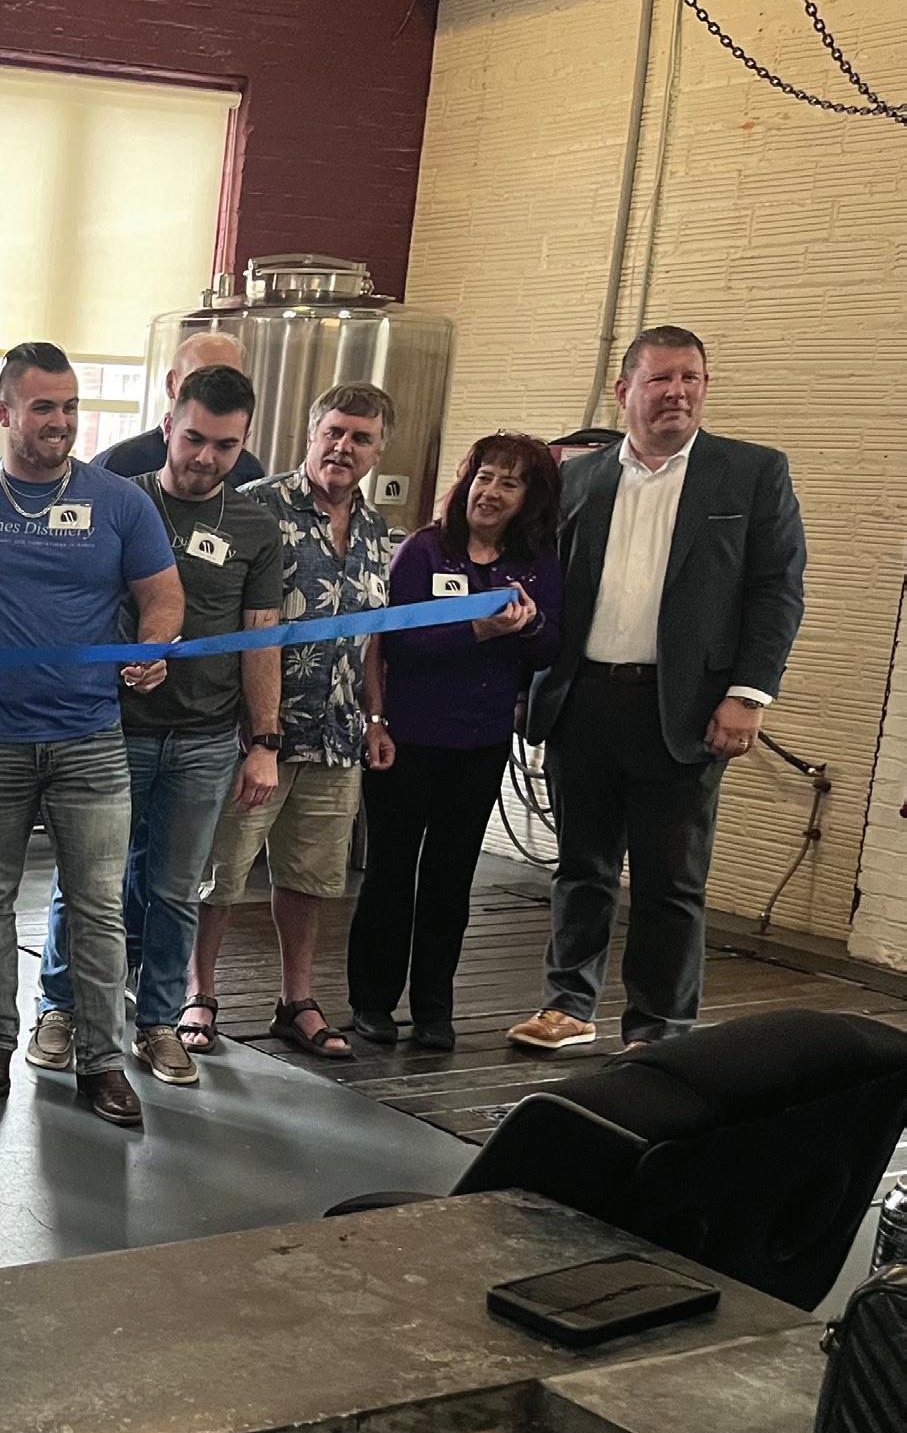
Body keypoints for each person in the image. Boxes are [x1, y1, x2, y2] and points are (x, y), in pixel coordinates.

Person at [0, 342, 183, 1127]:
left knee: (96, 906)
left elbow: (162, 595)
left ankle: (100, 1061)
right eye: (42, 407)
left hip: (89, 736)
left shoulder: (118, 502)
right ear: (4, 413)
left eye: (69, 406)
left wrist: (153, 646)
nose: (59, 421)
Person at [512, 326, 805, 1052]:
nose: (677, 392)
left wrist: (749, 694)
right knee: (580, 868)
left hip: (685, 709)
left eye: (690, 378)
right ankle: (566, 1005)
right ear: (623, 391)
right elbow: (540, 583)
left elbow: (776, 591)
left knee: (670, 881)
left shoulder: (751, 473)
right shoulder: (577, 479)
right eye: (660, 379)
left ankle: (659, 1028)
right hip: (582, 701)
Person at [40, 365, 282, 1078]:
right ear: (168, 424)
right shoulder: (116, 501)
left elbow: (262, 638)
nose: (206, 457)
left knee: (177, 890)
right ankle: (59, 1008)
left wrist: (264, 740)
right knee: (87, 880)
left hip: (204, 739)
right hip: (109, 730)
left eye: (226, 445)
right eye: (194, 438)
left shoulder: (253, 526)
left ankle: (158, 1021)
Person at [191, 382, 401, 1062]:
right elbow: (221, 618)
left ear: (378, 450)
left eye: (360, 437)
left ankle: (296, 1000)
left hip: (336, 736)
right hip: (252, 734)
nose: (343, 446)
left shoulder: (377, 531)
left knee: (311, 877)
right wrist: (253, 729)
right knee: (219, 872)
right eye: (333, 431)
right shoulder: (253, 508)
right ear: (310, 434)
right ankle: (197, 993)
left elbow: (372, 636)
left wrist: (375, 715)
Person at [348, 433, 566, 1050]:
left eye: (509, 483)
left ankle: (434, 1009)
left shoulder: (536, 563)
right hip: (408, 738)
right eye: (484, 478)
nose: (490, 492)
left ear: (529, 499)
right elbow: (396, 641)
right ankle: (371, 1002)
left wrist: (529, 625)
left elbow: (551, 647)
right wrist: (477, 630)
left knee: (450, 878)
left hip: (481, 742)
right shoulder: (424, 550)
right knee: (390, 874)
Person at [93, 332, 267, 489]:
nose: (216, 390)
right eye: (200, 378)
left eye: (230, 380)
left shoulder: (248, 471)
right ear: (172, 384)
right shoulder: (117, 465)